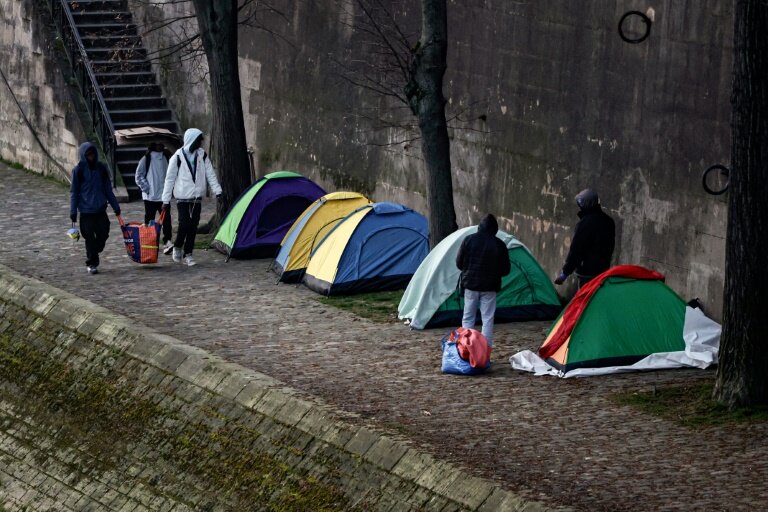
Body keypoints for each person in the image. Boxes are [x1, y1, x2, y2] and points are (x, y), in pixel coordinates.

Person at [161, 128, 222, 267]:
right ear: (192, 140)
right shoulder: (177, 157)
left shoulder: (202, 155)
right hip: (182, 197)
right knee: (184, 224)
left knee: (193, 226)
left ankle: (188, 253)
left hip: (196, 198)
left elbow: (210, 174)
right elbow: (169, 179)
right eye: (199, 140)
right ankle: (177, 246)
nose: (201, 143)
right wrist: (165, 200)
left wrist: (217, 190)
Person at [455, 214, 511, 344]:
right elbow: (506, 270)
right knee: (487, 319)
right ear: (495, 230)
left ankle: (466, 349)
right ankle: (484, 351)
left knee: (468, 318)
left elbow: (459, 263)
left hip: (470, 285)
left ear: (479, 227)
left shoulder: (468, 240)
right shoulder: (499, 244)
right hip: (490, 287)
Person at [69, 142, 121, 275]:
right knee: (89, 237)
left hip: (100, 209)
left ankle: (94, 250)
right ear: (84, 156)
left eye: (92, 154)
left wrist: (116, 207)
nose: (91, 157)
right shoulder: (78, 171)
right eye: (88, 155)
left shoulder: (101, 168)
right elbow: (74, 192)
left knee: (104, 233)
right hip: (86, 211)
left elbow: (108, 189)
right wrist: (73, 211)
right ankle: (92, 262)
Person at [554, 188, 615, 289]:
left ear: (586, 203)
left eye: (581, 202)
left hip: (587, 272)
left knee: (584, 300)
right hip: (603, 271)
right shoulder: (608, 221)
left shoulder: (586, 223)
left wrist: (564, 274)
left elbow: (576, 250)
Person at [135, 142, 173, 255]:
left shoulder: (167, 157)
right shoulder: (146, 159)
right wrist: (147, 188)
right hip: (150, 197)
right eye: (158, 144)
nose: (160, 146)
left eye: (162, 144)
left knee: (166, 220)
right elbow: (138, 175)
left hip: (164, 196)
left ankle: (167, 241)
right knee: (150, 220)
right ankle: (150, 242)